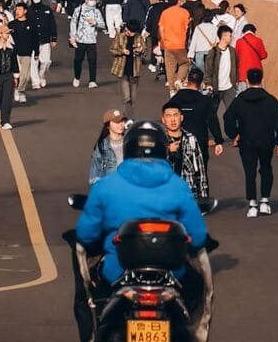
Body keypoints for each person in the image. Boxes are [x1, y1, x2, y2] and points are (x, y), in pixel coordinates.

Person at [75, 121, 207, 287]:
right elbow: (198, 236)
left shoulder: (105, 185)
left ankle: (84, 305)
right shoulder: (178, 185)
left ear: (128, 148)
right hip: (172, 272)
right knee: (196, 288)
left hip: (117, 271)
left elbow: (86, 234)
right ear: (163, 148)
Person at [224, 68, 278, 218]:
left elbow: (228, 117)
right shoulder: (271, 100)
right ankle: (265, 201)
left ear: (247, 81)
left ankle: (252, 204)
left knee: (249, 171)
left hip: (246, 140)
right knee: (266, 168)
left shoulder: (240, 100)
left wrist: (234, 133)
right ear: (262, 80)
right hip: (266, 140)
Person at [165, 68, 224, 180]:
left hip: (178, 141)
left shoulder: (175, 100)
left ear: (187, 80)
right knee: (201, 174)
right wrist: (218, 141)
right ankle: (200, 196)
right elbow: (212, 121)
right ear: (201, 84)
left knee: (178, 173)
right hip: (199, 141)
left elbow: (167, 117)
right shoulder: (205, 101)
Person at [162, 103, 211, 210]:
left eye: (175, 115)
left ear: (182, 117)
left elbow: (200, 168)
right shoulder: (159, 141)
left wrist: (203, 195)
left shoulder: (191, 139)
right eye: (168, 116)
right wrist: (167, 150)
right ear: (163, 119)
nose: (173, 120)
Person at [69, 0, 104, 88]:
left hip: (92, 40)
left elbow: (103, 25)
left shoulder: (97, 12)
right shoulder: (78, 10)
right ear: (86, 0)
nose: (92, 2)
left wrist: (95, 22)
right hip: (80, 40)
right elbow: (73, 23)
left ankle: (92, 80)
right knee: (78, 60)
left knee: (92, 60)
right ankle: (77, 77)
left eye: (93, 0)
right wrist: (72, 37)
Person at [158, 0, 191, 89]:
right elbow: (187, 28)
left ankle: (172, 90)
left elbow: (161, 29)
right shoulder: (184, 12)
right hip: (180, 44)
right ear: (178, 1)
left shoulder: (165, 13)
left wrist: (162, 42)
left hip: (167, 44)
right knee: (184, 63)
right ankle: (179, 80)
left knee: (170, 68)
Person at [110, 19, 145, 109]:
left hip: (135, 65)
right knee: (125, 82)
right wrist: (122, 51)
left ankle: (132, 103)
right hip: (123, 65)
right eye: (131, 32)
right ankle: (127, 101)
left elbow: (144, 50)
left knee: (134, 85)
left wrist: (140, 50)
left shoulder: (139, 37)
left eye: (134, 32)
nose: (132, 34)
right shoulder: (120, 37)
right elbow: (112, 50)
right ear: (127, 29)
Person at [203, 26, 238, 112]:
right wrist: (208, 84)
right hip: (216, 88)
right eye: (229, 35)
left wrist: (236, 80)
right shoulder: (213, 52)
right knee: (212, 113)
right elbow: (208, 70)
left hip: (229, 87)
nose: (230, 37)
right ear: (223, 36)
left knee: (232, 112)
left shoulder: (232, 51)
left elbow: (236, 66)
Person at [27, 0, 57, 88]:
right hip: (32, 40)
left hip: (45, 39)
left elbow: (52, 24)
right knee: (33, 62)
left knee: (46, 61)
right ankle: (35, 82)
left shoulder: (47, 9)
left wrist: (54, 38)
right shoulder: (28, 10)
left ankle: (41, 75)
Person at [89, 110, 127, 184]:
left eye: (122, 121)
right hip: (111, 190)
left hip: (129, 188)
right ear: (108, 125)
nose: (121, 124)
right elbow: (93, 178)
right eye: (117, 122)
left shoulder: (130, 141)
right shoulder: (102, 146)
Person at [234, 23, 267, 92]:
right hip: (257, 73)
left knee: (243, 96)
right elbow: (264, 55)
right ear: (254, 31)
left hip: (243, 74)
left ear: (243, 31)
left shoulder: (239, 42)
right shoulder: (258, 40)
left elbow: (236, 57)